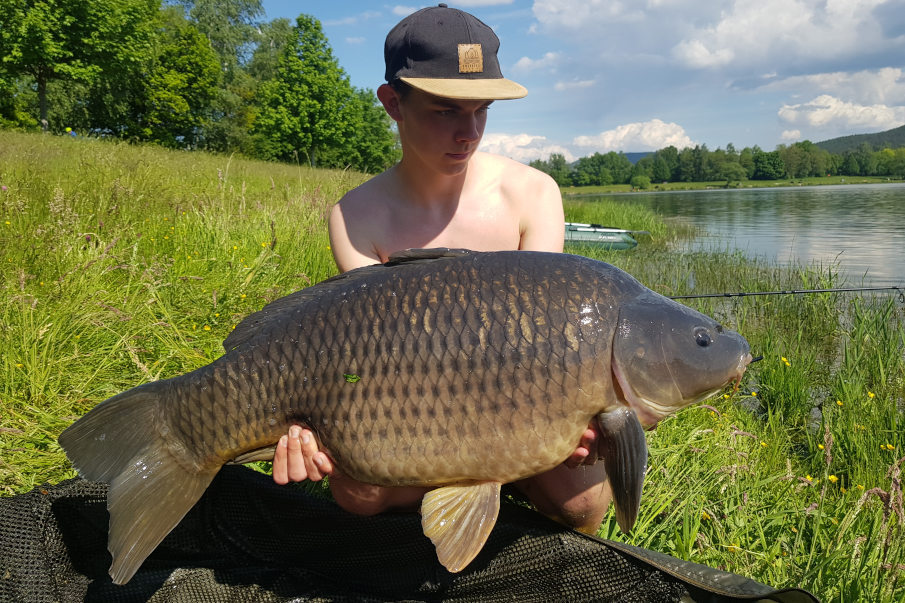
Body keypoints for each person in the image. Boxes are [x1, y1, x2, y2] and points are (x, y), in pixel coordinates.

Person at [272, 3, 612, 534]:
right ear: (393, 103)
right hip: (423, 403)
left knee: (584, 505)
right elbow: (368, 359)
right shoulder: (356, 216)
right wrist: (315, 430)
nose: (468, 131)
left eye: (482, 110)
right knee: (359, 494)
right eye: (445, 110)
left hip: (524, 402)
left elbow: (551, 340)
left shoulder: (533, 193)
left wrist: (576, 416)